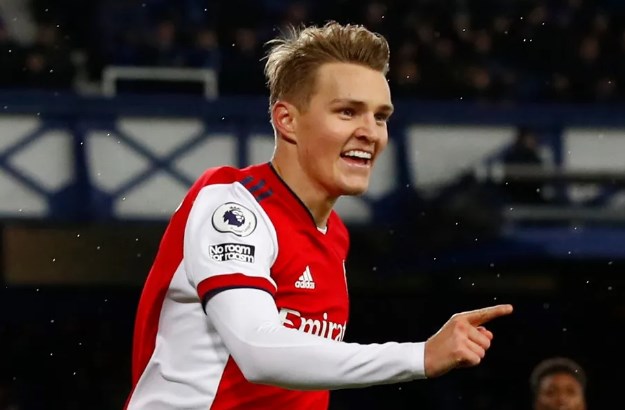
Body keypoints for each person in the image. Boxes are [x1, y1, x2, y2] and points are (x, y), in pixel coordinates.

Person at [125, 21, 513, 410]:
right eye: (347, 112)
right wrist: (419, 356)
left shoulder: (333, 234)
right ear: (287, 120)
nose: (371, 132)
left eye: (380, 117)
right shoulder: (232, 205)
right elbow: (258, 351)